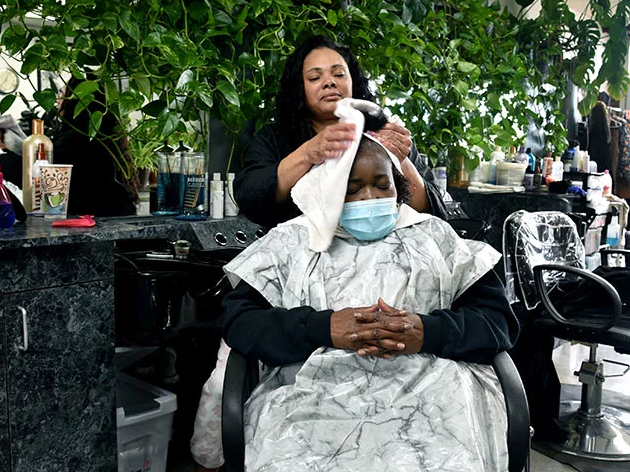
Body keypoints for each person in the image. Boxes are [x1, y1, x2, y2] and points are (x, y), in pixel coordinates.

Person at [192, 130, 519, 472]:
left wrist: (428, 332)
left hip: (432, 394)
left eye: (382, 185)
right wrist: (322, 328)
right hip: (313, 397)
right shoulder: (291, 242)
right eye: (352, 189)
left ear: (399, 187)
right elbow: (240, 321)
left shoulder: (436, 238)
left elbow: (497, 321)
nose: (369, 197)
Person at [234, 35, 446, 228]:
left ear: (353, 81)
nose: (329, 82)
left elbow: (436, 212)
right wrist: (307, 153)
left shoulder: (385, 132)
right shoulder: (273, 138)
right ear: (299, 88)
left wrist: (399, 159)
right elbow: (251, 198)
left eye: (339, 74)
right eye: (315, 78)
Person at [52, 77, 139, 217]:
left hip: (99, 220)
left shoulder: (74, 139)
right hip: (118, 214)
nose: (58, 101)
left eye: (62, 95)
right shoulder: (106, 135)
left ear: (77, 101)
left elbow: (46, 173)